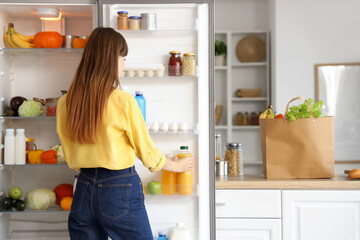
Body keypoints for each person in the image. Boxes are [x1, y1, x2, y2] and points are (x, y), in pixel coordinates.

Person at [56, 27, 194, 240]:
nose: (124, 64)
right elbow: (147, 153)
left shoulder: (66, 102)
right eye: (123, 58)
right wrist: (176, 166)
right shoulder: (123, 101)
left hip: (83, 188)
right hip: (118, 188)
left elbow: (69, 152)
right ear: (111, 60)